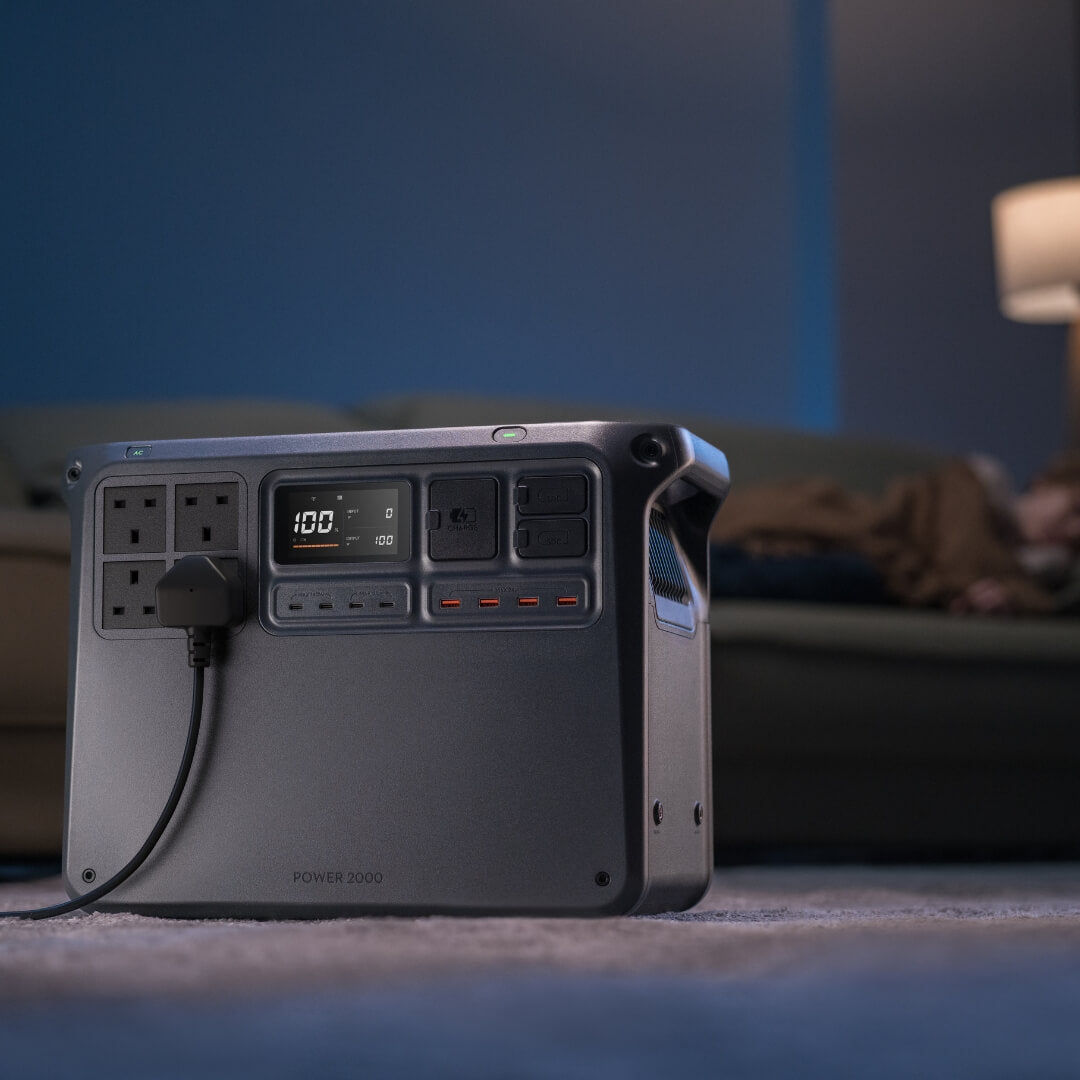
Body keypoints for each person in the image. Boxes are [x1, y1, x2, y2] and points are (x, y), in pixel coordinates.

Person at [710, 451, 1080, 615]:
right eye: (1076, 509)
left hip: (875, 575)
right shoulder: (974, 484)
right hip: (868, 541)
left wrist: (1023, 584)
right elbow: (957, 561)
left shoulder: (1036, 582)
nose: (1074, 531)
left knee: (849, 576)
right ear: (1045, 484)